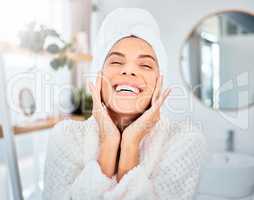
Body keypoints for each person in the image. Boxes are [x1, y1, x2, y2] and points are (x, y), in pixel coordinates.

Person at [43, 7, 207, 200]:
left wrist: (131, 145)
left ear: (159, 83)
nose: (129, 71)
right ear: (98, 76)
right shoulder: (65, 137)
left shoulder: (185, 141)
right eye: (116, 62)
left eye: (145, 65)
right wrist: (108, 145)